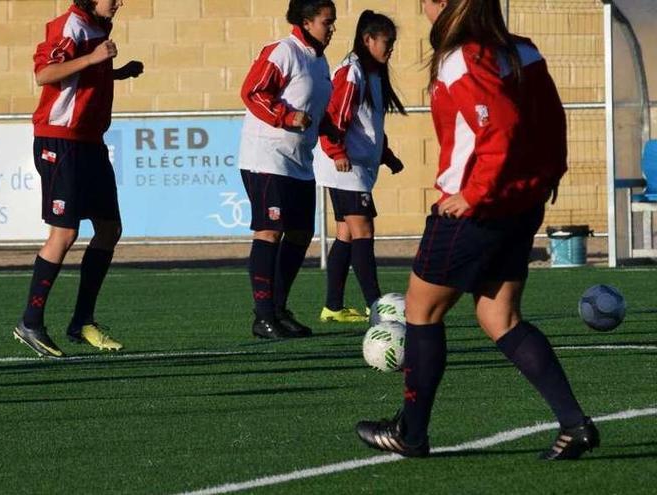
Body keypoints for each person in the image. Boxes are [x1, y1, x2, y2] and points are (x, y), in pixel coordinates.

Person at [355, 0, 599, 460]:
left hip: (474, 211)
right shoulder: (522, 51)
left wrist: (476, 193)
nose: (422, 7)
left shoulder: (460, 57)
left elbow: (499, 127)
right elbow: (553, 121)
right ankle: (575, 424)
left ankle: (411, 432)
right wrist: (546, 177)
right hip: (520, 204)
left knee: (422, 312)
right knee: (498, 318)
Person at [14, 0, 143, 358]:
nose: (119, 3)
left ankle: (82, 320)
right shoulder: (71, 25)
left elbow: (80, 78)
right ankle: (31, 322)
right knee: (64, 233)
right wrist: (93, 58)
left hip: (89, 141)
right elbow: (44, 73)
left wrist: (116, 72)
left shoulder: (97, 25)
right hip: (61, 139)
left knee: (108, 229)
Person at [238, 0, 336, 339]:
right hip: (267, 157)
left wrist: (333, 133)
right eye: (327, 21)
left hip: (299, 162)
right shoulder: (283, 50)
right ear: (306, 22)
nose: (332, 28)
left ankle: (278, 308)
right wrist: (287, 116)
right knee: (270, 231)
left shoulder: (320, 61)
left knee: (300, 234)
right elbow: (252, 91)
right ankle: (263, 316)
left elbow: (316, 112)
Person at [314, 10, 406, 324]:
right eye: (386, 41)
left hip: (357, 165)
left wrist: (386, 154)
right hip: (344, 166)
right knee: (363, 229)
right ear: (368, 40)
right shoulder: (351, 71)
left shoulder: (373, 73)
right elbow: (334, 117)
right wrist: (336, 151)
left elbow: (368, 124)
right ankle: (376, 306)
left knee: (346, 234)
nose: (390, 48)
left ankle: (333, 307)